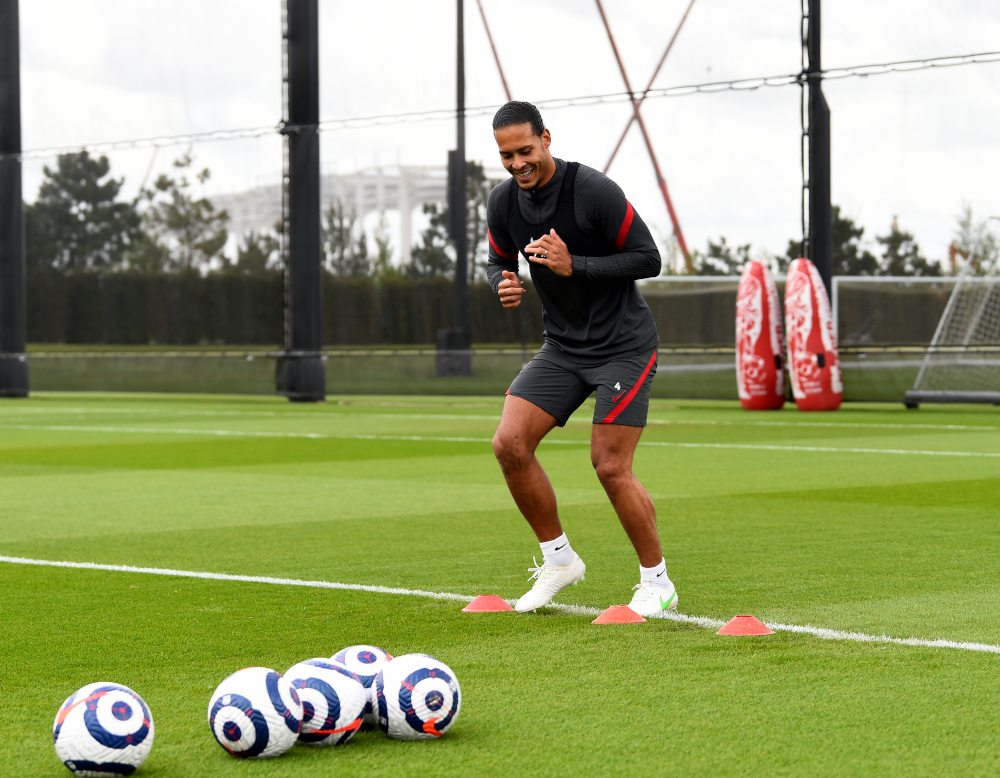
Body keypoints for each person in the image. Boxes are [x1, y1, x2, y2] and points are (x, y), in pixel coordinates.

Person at [486, 100, 677, 617]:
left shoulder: (593, 190)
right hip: (563, 348)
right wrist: (501, 283)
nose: (517, 163)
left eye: (525, 150)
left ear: (546, 138)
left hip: (624, 347)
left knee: (610, 466)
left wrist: (577, 265)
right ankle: (561, 561)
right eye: (506, 155)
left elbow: (649, 259)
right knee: (509, 444)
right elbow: (496, 259)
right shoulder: (503, 202)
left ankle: (657, 582)